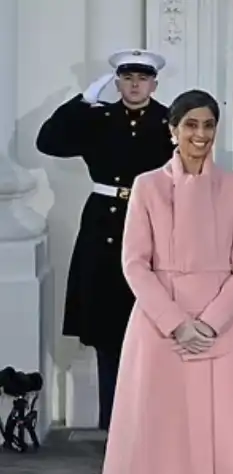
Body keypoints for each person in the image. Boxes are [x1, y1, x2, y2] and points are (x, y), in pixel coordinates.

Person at [99, 89, 233, 474]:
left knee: (217, 453)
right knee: (170, 449)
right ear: (172, 130)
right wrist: (176, 322)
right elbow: (134, 263)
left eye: (208, 125)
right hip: (160, 332)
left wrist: (210, 321)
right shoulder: (148, 186)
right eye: (190, 124)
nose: (200, 134)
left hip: (223, 331)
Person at [35, 49, 175, 431]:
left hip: (153, 225)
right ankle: (114, 426)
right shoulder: (99, 118)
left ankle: (152, 426)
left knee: (155, 328)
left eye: (142, 79)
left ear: (154, 84)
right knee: (107, 332)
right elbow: (47, 143)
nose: (134, 85)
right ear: (117, 82)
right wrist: (82, 103)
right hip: (103, 227)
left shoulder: (169, 121)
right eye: (127, 78)